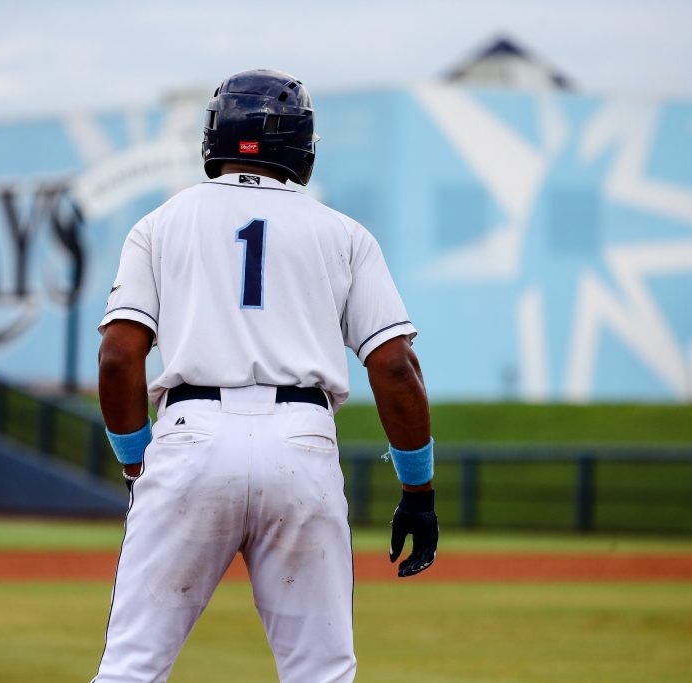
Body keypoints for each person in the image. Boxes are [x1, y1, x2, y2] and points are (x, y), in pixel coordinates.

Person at [91, 68, 437, 683]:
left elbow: (119, 355)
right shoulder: (344, 233)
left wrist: (137, 462)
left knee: (131, 668)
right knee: (321, 673)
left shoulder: (159, 223)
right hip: (301, 441)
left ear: (214, 137)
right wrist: (418, 490)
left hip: (189, 433)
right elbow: (395, 366)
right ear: (301, 144)